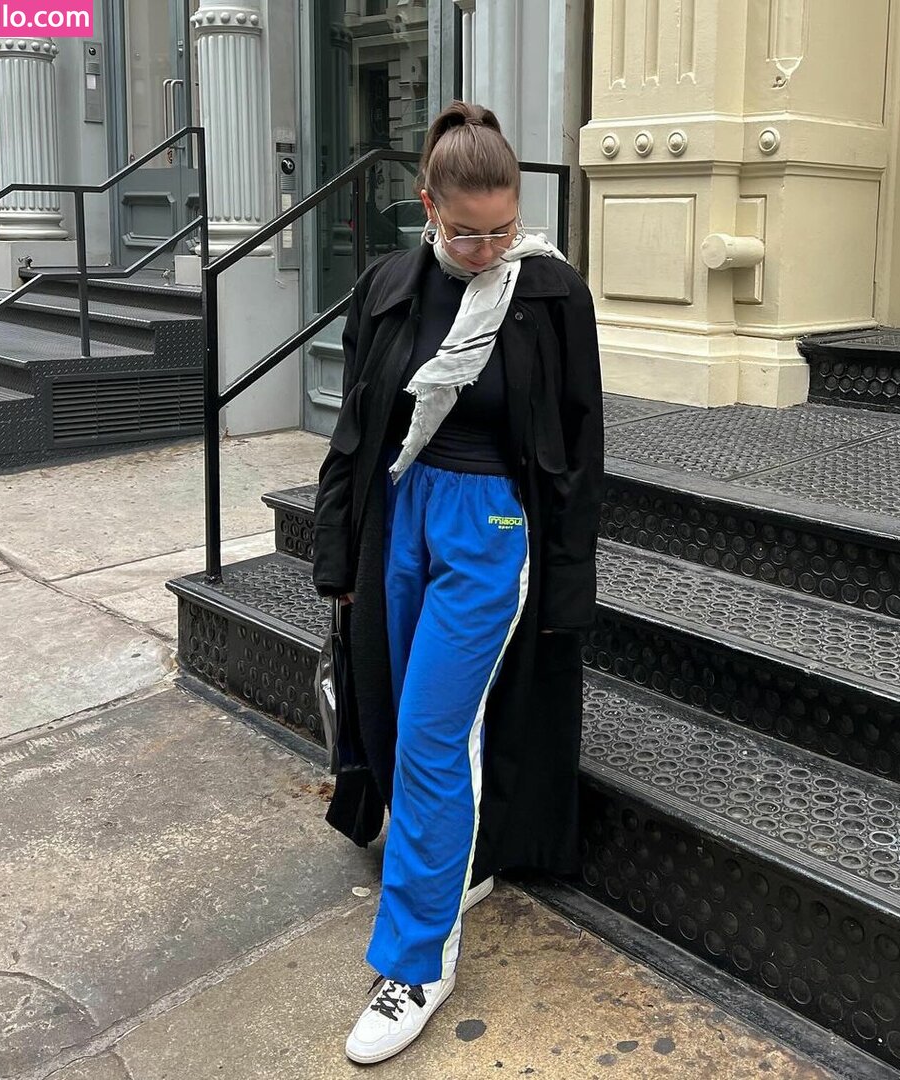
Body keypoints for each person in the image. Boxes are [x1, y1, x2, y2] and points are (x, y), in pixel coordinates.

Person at [311, 100, 604, 1065]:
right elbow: (356, 427)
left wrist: (566, 584)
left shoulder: (550, 291)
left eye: (503, 229)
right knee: (405, 720)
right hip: (398, 514)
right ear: (426, 204)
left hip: (491, 528)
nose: (487, 251)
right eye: (467, 232)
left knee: (434, 734)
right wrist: (336, 553)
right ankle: (454, 866)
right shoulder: (388, 285)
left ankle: (416, 963)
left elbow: (578, 449)